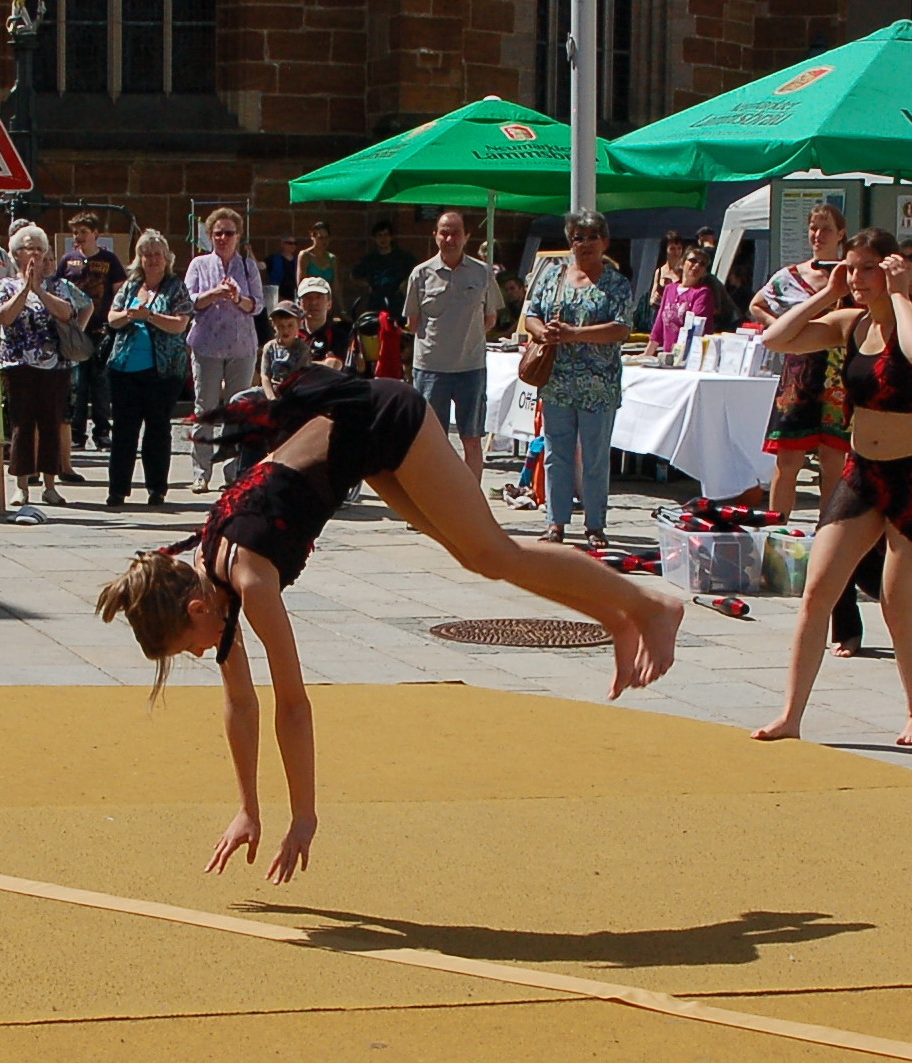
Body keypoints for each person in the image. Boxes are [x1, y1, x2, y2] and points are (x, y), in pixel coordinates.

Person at [95, 363, 683, 882]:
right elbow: (240, 704)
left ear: (197, 611)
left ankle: (652, 606)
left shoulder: (246, 578)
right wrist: (249, 807)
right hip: (358, 441)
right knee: (474, 555)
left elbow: (292, 705)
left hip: (386, 419)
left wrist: (304, 816)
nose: (201, 654)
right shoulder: (202, 573)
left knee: (492, 551)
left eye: (187, 647)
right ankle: (616, 616)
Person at [751, 229, 912, 746]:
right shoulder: (848, 323)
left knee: (896, 604)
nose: (857, 279)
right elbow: (775, 339)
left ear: (891, 270)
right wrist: (826, 293)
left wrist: (901, 292)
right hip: (862, 474)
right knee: (816, 593)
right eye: (852, 268)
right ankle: (791, 714)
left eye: (867, 269)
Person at [523, 209, 632, 548]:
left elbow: (621, 329)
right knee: (557, 452)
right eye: (577, 237)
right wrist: (545, 333)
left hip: (598, 384)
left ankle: (595, 524)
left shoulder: (616, 283)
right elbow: (531, 315)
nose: (584, 244)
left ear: (605, 242)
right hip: (557, 381)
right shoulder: (553, 276)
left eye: (591, 237)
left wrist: (574, 334)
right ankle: (555, 522)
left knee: (596, 457)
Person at [751, 203, 852, 518]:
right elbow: (757, 304)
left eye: (826, 229)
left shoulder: (851, 274)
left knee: (834, 460)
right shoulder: (791, 276)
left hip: (839, 374)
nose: (818, 235)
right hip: (800, 373)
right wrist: (780, 329)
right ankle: (776, 530)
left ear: (841, 234)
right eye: (813, 228)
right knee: (788, 458)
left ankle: (828, 533)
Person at [404, 211, 501, 479]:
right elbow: (413, 323)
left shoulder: (482, 273)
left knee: (472, 438)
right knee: (429, 443)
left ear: (467, 236)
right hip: (430, 369)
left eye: (456, 232)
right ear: (435, 235)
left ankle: (471, 509)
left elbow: (490, 318)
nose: (450, 238)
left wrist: (465, 337)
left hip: (471, 369)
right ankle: (431, 507)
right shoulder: (420, 275)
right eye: (444, 232)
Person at [0, 224, 87, 507]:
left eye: (39, 248)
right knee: (22, 424)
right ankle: (21, 485)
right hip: (18, 363)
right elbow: (4, 317)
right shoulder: (5, 285)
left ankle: (50, 484)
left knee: (51, 423)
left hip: (54, 365)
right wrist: (26, 288)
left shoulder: (57, 285)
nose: (34, 253)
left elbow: (67, 313)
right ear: (16, 254)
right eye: (27, 248)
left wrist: (40, 290)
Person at [105, 229, 193, 509]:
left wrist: (150, 316)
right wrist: (129, 315)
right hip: (125, 369)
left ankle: (157, 489)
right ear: (139, 258)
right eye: (146, 254)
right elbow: (112, 318)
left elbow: (180, 324)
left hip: (162, 372)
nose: (152, 259)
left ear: (166, 258)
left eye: (157, 255)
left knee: (157, 430)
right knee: (123, 431)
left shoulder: (176, 287)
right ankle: (117, 490)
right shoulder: (131, 286)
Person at [185, 207, 263, 494]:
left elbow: (258, 305)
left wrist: (237, 297)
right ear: (209, 236)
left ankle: (234, 470)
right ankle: (200, 472)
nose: (223, 237)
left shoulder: (247, 265)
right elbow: (188, 301)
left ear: (238, 236)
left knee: (239, 410)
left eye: (228, 233)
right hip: (207, 344)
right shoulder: (199, 264)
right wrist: (214, 294)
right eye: (217, 233)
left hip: (241, 346)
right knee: (204, 407)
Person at [56, 212, 125, 453]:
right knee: (77, 383)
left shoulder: (109, 260)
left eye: (84, 232)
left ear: (96, 234)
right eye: (75, 232)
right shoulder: (67, 261)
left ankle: (103, 432)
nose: (79, 237)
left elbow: (119, 292)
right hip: (74, 331)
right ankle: (76, 433)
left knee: (101, 382)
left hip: (101, 329)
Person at [644, 246, 719, 364]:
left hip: (691, 357)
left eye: (702, 264)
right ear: (683, 263)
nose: (697, 266)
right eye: (693, 260)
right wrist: (647, 354)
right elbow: (659, 324)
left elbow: (694, 327)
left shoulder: (703, 293)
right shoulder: (669, 289)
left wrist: (680, 355)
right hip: (668, 356)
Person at [351, 220, 414, 319]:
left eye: (386, 235)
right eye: (379, 235)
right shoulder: (369, 259)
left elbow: (415, 272)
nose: (383, 238)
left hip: (397, 301)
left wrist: (405, 284)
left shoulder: (402, 257)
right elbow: (354, 276)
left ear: (391, 237)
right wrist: (366, 286)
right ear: (374, 238)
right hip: (376, 302)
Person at [260, 301, 312, 398]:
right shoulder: (269, 347)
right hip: (271, 389)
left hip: (292, 391)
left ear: (298, 325)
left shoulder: (302, 349)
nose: (285, 330)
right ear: (274, 325)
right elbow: (265, 376)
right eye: (281, 326)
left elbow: (298, 377)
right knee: (239, 398)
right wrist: (271, 397)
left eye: (290, 325)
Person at [297, 276, 350, 367]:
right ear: (299, 304)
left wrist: (295, 365)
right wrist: (323, 363)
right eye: (308, 297)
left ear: (329, 304)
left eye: (319, 297)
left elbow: (334, 366)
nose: (313, 302)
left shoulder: (338, 335)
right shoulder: (290, 331)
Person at [296, 221, 340, 307]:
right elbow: (301, 283)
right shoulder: (305, 256)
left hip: (325, 302)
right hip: (309, 301)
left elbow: (336, 286)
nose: (324, 241)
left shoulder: (332, 259)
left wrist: (342, 309)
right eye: (321, 238)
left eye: (326, 238)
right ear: (313, 237)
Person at [265, 235, 299, 303]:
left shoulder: (298, 260)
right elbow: (260, 266)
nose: (293, 246)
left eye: (294, 243)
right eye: (290, 243)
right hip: (277, 297)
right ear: (282, 244)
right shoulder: (274, 259)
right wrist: (250, 251)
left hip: (295, 298)